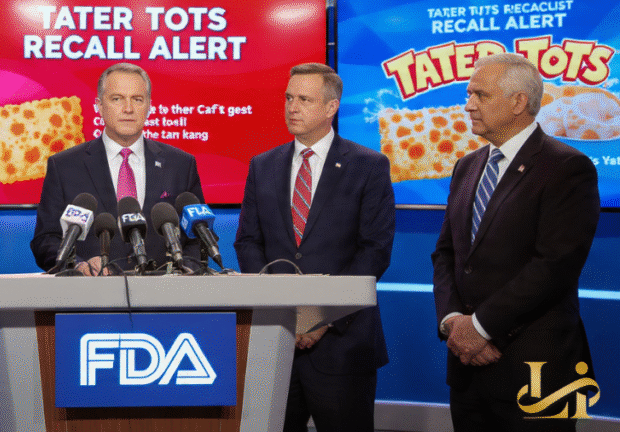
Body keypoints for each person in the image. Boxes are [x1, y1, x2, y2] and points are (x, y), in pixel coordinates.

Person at [432, 53, 598, 430]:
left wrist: (482, 327)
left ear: (519, 102)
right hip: (467, 370)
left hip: (536, 371)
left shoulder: (567, 167)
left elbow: (555, 264)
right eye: (469, 94)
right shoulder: (467, 165)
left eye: (481, 95)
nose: (468, 104)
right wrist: (455, 321)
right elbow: (447, 253)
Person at [234, 62, 395, 432]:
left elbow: (374, 250)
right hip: (276, 340)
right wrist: (285, 311)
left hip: (342, 343)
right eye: (289, 97)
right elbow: (248, 241)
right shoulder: (263, 166)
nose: (292, 107)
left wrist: (319, 317)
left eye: (304, 99)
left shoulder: (368, 166)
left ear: (331, 107)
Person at [31, 62, 204, 275]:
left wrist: (188, 271)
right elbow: (46, 239)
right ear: (99, 105)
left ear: (149, 105)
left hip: (164, 298)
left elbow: (197, 238)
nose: (128, 109)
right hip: (91, 299)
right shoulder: (64, 166)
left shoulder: (180, 164)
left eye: (137, 99)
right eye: (116, 99)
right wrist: (77, 265)